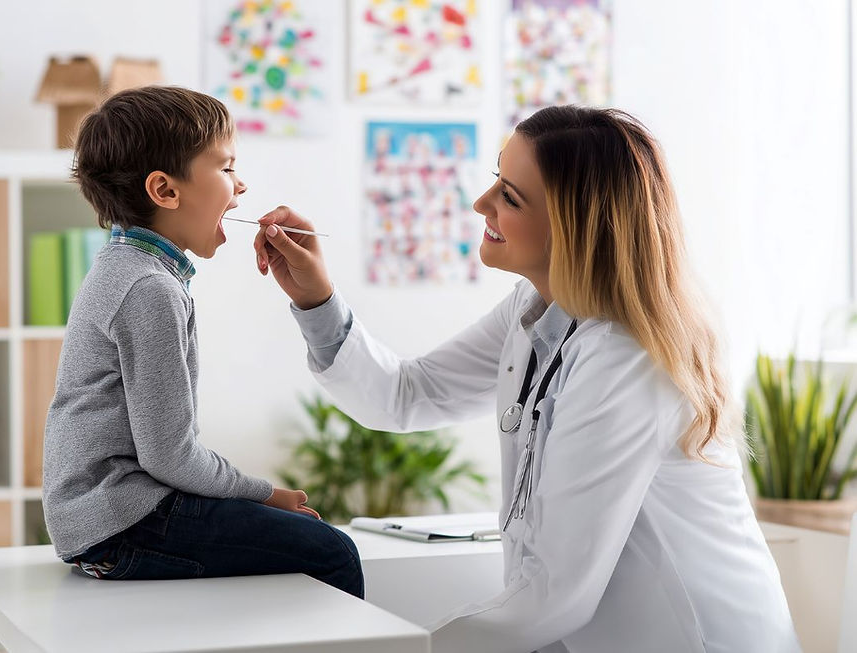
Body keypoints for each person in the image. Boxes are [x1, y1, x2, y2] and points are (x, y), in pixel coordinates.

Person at [254, 106, 799, 651]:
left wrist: (400, 649)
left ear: (574, 226)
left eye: (510, 197)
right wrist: (315, 298)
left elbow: (553, 595)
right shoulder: (537, 307)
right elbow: (407, 395)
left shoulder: (627, 360)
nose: (480, 203)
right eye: (497, 178)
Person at [42, 86, 363, 597]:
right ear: (165, 191)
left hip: (99, 522)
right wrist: (262, 494)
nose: (241, 186)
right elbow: (170, 458)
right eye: (227, 167)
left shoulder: (124, 268)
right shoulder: (150, 289)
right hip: (124, 523)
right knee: (333, 551)